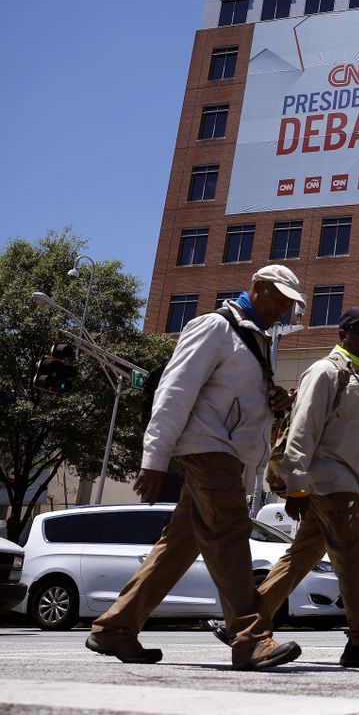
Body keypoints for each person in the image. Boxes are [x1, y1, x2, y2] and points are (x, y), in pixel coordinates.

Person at [86, 265, 306, 670]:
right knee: (231, 535)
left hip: (226, 453)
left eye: (290, 305)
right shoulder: (214, 326)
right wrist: (154, 460)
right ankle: (250, 638)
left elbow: (229, 394)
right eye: (279, 299)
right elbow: (174, 390)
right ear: (255, 288)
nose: (284, 311)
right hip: (208, 450)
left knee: (178, 547)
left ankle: (116, 627)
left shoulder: (252, 338)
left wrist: (271, 399)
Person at [208, 306, 359, 669]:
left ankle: (241, 626)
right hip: (330, 484)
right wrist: (297, 488)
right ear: (342, 334)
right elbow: (301, 433)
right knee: (355, 559)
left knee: (297, 559)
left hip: (348, 485)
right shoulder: (326, 372)